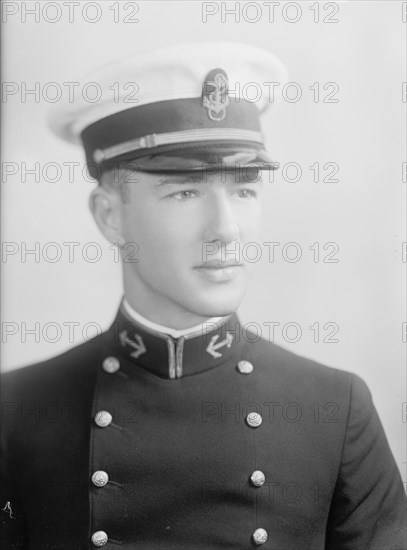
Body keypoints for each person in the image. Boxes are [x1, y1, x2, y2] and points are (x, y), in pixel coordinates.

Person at [1, 42, 405, 550]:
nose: (226, 230)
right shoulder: (19, 411)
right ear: (110, 216)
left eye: (243, 189)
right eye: (184, 192)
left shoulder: (335, 408)